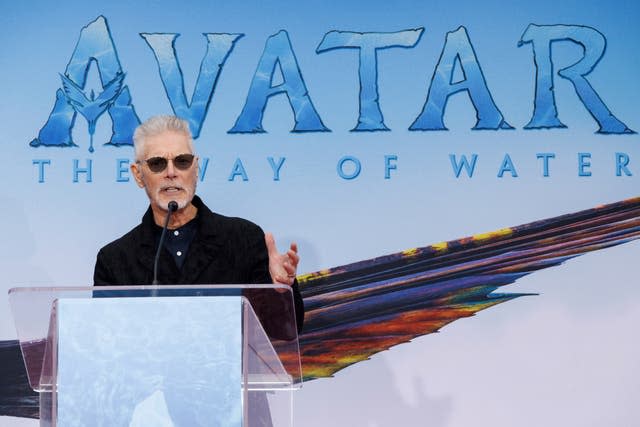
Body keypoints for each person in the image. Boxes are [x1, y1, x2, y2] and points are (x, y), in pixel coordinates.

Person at [93, 115, 304, 332]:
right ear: (138, 175)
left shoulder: (244, 238)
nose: (171, 172)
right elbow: (106, 342)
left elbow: (285, 330)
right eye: (157, 163)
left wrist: (280, 291)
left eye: (182, 161)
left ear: (196, 169)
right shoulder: (114, 259)